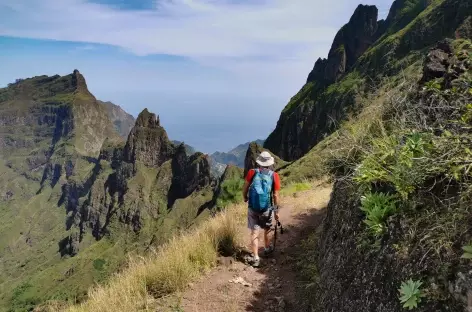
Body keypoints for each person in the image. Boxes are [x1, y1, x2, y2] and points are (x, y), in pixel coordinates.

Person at [242, 151, 281, 267]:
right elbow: (275, 195)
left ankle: (256, 257)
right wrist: (276, 211)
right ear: (270, 164)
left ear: (259, 162)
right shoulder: (274, 176)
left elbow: (245, 188)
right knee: (267, 229)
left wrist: (245, 197)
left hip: (253, 207)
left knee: (254, 232)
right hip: (266, 208)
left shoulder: (252, 172)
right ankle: (267, 248)